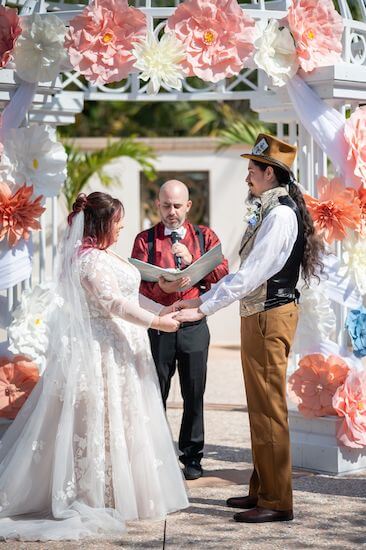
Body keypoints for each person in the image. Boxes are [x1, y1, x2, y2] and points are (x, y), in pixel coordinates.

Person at [0, 192, 188, 541]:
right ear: (101, 224)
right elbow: (113, 303)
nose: (122, 227)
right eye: (117, 221)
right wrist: (156, 323)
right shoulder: (90, 262)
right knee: (104, 419)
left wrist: (161, 309)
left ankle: (124, 490)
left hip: (123, 347)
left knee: (127, 419)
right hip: (103, 352)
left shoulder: (104, 254)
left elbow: (129, 293)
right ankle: (99, 492)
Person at [174, 134, 324, 522]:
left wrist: (202, 308)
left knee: (269, 409)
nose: (247, 177)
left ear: (269, 173)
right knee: (259, 408)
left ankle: (276, 501)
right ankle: (262, 490)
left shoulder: (280, 215)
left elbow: (251, 275)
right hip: (260, 314)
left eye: (251, 171)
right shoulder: (272, 209)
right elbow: (245, 276)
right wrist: (197, 301)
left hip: (268, 316)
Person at [131, 180, 228, 480]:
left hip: (194, 325)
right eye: (165, 205)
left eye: (177, 206)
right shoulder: (145, 239)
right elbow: (135, 280)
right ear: (157, 205)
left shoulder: (204, 236)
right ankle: (156, 455)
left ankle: (192, 457)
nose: (171, 212)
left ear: (188, 206)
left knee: (194, 393)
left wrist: (192, 261)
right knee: (155, 392)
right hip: (159, 327)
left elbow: (223, 275)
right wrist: (159, 286)